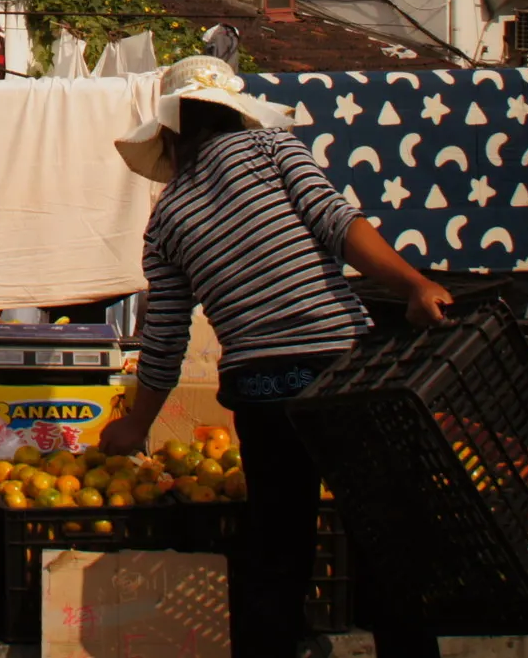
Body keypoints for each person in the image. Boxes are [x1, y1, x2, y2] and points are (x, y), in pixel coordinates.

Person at [97, 68, 453, 658]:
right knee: (384, 537)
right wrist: (413, 284)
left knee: (278, 545)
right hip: (338, 370)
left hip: (260, 391)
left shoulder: (165, 220)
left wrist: (138, 423)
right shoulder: (269, 146)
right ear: (236, 113)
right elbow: (338, 224)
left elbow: (164, 337)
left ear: (172, 136)